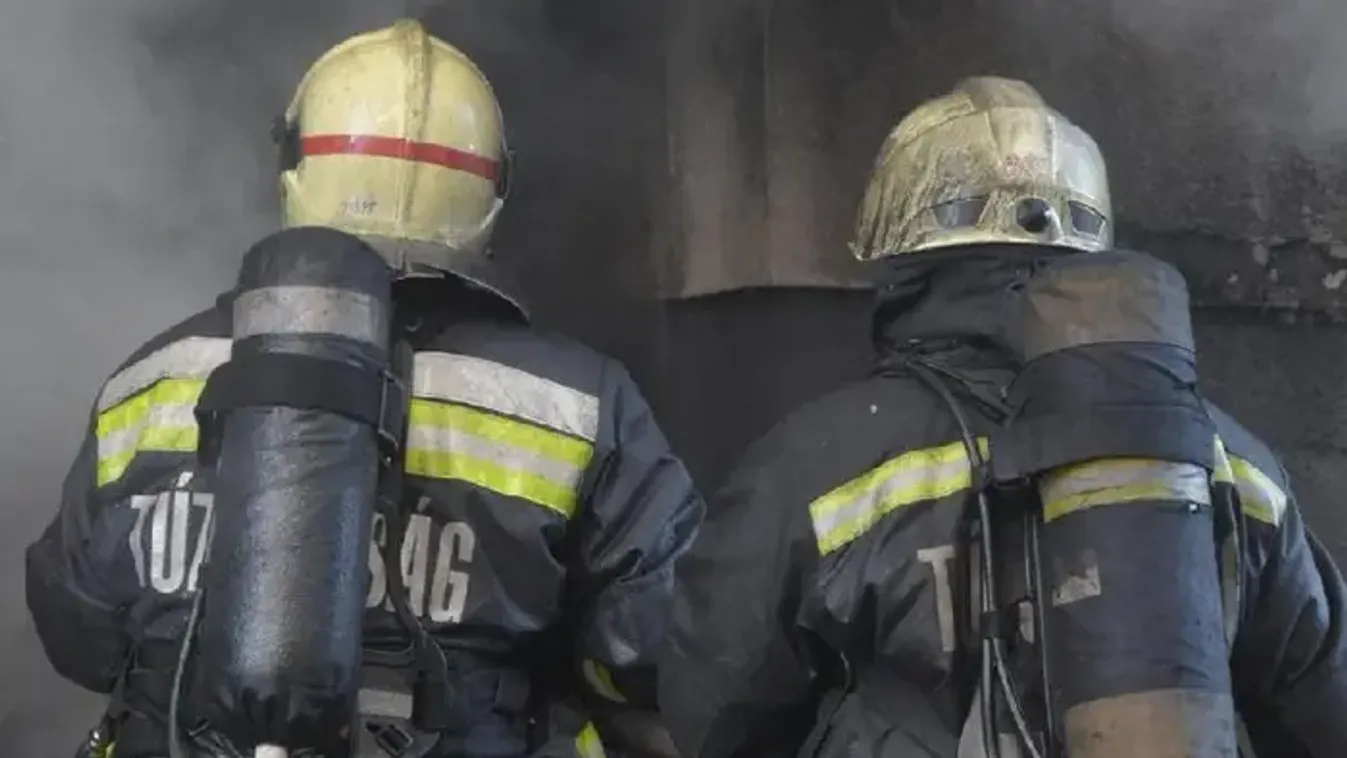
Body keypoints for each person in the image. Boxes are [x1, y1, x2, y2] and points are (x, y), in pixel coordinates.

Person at [26, 19, 701, 758]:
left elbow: (78, 631)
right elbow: (658, 650)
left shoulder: (147, 384)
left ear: (295, 168)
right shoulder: (579, 406)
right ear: (487, 190)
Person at [658, 76, 1347, 757]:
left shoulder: (818, 462)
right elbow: (1323, 710)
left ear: (900, 255)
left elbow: (713, 709)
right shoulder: (1230, 461)